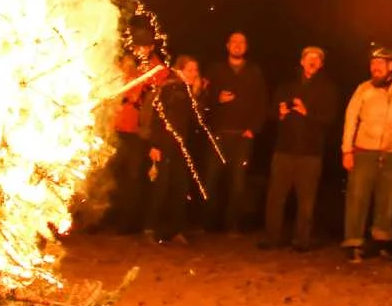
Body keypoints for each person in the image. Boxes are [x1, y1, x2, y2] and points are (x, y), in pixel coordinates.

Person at [341, 45, 392, 261]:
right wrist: (347, 150)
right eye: (373, 64)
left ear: (391, 66)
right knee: (358, 197)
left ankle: (381, 242)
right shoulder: (363, 89)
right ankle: (353, 243)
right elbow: (351, 118)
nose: (375, 68)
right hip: (364, 151)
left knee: (387, 199)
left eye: (380, 64)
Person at [262, 46, 341, 250]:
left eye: (317, 58)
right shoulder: (286, 86)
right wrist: (280, 113)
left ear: (321, 64)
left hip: (310, 153)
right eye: (308, 57)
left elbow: (330, 118)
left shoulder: (328, 89)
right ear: (301, 61)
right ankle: (271, 238)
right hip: (284, 150)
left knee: (306, 200)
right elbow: (270, 113)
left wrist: (307, 112)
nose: (312, 61)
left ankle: (302, 240)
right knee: (275, 197)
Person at [201, 31, 268, 232]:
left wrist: (253, 129)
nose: (237, 45)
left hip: (242, 137)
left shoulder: (254, 72)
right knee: (211, 180)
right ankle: (208, 224)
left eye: (242, 42)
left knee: (238, 184)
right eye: (234, 42)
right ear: (227, 46)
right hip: (218, 135)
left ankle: (233, 225)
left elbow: (262, 102)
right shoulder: (215, 70)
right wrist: (217, 99)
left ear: (246, 47)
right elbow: (203, 98)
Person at [102, 23, 165, 233]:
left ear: (151, 47)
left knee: (134, 177)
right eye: (137, 46)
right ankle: (106, 218)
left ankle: (129, 223)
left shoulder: (157, 70)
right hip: (116, 126)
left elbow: (154, 99)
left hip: (138, 132)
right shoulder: (124, 65)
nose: (141, 50)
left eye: (145, 46)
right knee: (112, 176)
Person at [143, 54, 210, 244]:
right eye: (190, 70)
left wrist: (198, 94)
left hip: (180, 147)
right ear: (179, 70)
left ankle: (175, 230)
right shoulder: (169, 88)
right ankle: (151, 228)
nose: (194, 74)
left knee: (180, 188)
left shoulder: (189, 91)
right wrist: (154, 144)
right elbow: (157, 117)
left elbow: (198, 121)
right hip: (163, 145)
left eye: (196, 70)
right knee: (160, 187)